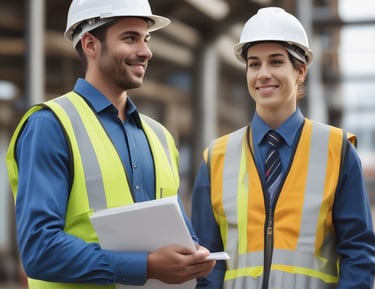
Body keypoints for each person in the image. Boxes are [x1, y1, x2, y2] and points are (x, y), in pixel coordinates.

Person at [5, 0, 215, 288]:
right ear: (90, 44)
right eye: (130, 38)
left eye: (146, 39)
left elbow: (179, 234)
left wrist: (193, 257)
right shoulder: (50, 126)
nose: (146, 51)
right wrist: (147, 266)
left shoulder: (161, 137)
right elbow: (40, 250)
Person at [191, 7, 375, 289]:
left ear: (300, 71)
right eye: (254, 64)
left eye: (275, 62)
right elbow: (209, 263)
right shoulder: (216, 157)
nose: (263, 74)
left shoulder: (337, 150)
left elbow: (358, 252)